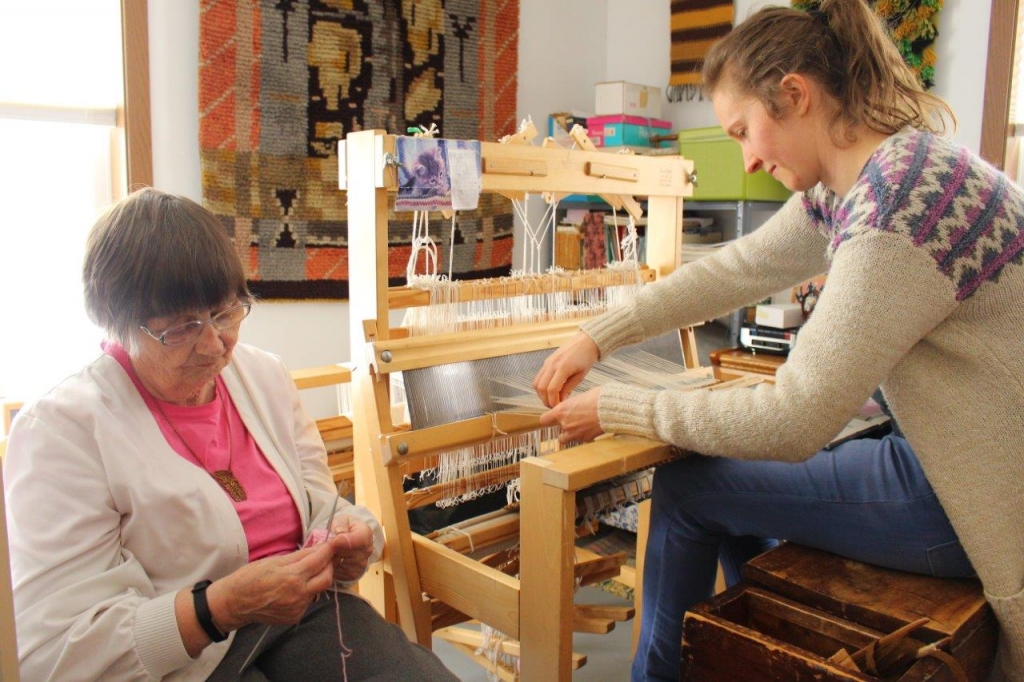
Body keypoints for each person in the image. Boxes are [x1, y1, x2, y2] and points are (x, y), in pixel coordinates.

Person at [533, 1, 1024, 680]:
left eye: (743, 131)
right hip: (959, 464)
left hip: (972, 503)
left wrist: (616, 406)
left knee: (690, 489)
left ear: (795, 95)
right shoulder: (883, 175)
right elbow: (740, 266)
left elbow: (794, 420)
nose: (749, 159)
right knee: (729, 486)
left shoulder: (895, 208)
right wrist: (598, 335)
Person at [4, 188, 457, 681]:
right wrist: (216, 608)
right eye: (181, 327)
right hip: (176, 662)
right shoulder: (63, 432)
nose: (214, 343)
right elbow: (56, 652)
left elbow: (319, 505)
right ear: (117, 325)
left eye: (225, 313)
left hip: (303, 615)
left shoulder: (263, 376)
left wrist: (351, 536)